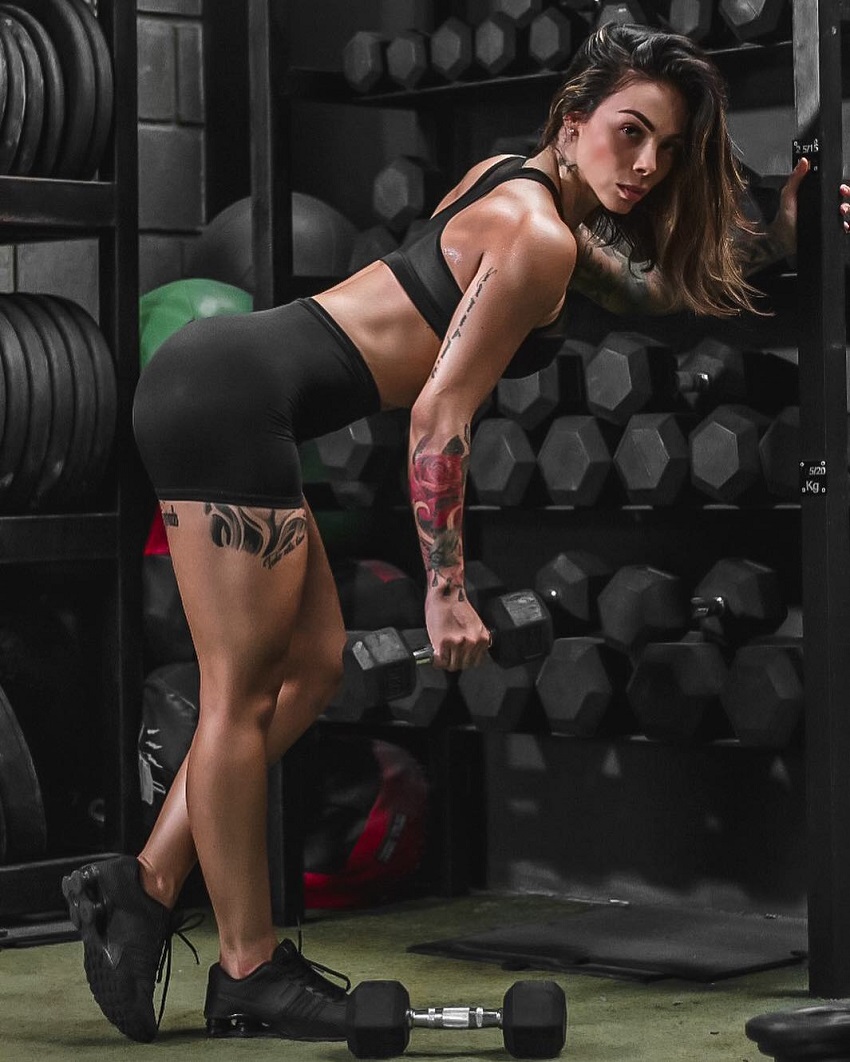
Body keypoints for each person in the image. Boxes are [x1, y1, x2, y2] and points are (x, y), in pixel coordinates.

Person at [62, 21, 840, 1045]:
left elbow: (645, 284)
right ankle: (246, 970)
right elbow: (437, 416)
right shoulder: (539, 236)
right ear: (571, 123)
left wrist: (777, 222)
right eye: (628, 132)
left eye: (667, 147)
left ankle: (148, 881)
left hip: (240, 394)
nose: (645, 164)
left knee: (313, 668)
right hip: (225, 399)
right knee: (242, 696)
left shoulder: (510, 183)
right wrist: (445, 586)